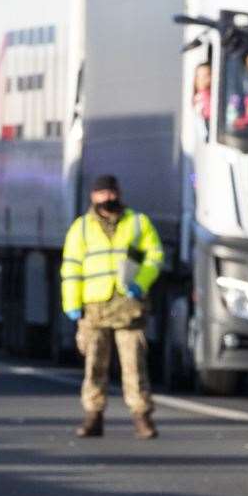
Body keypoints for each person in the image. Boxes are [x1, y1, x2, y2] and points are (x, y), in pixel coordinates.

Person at [60, 174, 163, 439]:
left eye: (111, 192)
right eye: (102, 193)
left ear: (119, 193)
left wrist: (141, 283)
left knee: (134, 365)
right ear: (93, 196)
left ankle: (142, 416)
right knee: (94, 365)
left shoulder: (138, 223)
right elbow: (71, 268)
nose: (108, 198)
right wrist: (72, 304)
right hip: (94, 308)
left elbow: (155, 256)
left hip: (129, 306)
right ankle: (93, 416)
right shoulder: (81, 228)